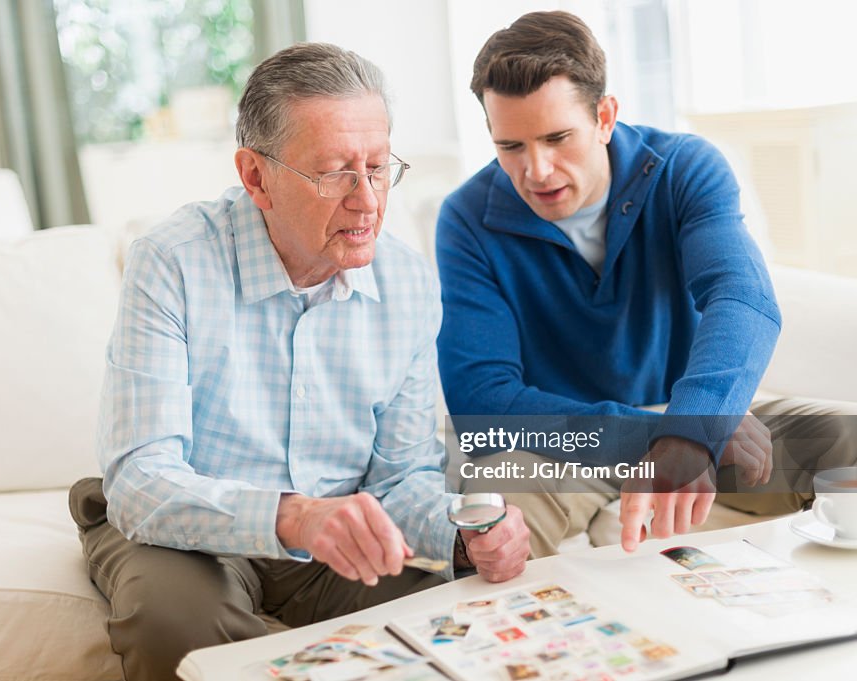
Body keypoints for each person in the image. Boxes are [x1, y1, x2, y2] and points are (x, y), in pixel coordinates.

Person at [69, 42, 532, 681]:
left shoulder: (406, 282)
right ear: (256, 177)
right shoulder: (172, 261)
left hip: (333, 536)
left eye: (377, 168)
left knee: (464, 620)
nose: (367, 200)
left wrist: (464, 531)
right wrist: (295, 516)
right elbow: (142, 480)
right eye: (336, 172)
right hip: (187, 529)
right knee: (176, 625)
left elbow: (399, 478)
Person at [437, 11, 856, 558]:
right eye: (510, 146)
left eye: (557, 137)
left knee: (845, 434)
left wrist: (696, 421)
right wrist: (665, 436)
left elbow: (742, 297)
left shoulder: (685, 168)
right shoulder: (466, 218)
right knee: (497, 514)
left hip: (696, 420)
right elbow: (482, 404)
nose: (536, 170)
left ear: (605, 117)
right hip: (565, 447)